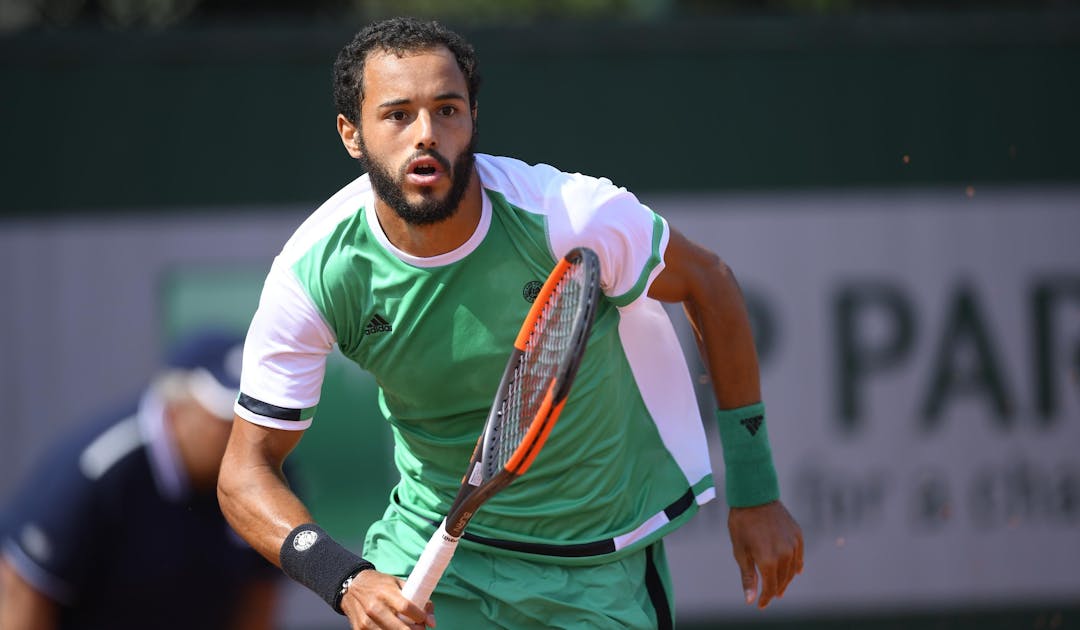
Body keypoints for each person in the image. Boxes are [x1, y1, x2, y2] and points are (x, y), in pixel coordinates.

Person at [218, 16, 803, 630]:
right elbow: (243, 471)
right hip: (429, 555)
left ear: (472, 119)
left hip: (593, 566)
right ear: (352, 135)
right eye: (397, 114)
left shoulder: (566, 216)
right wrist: (346, 579)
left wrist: (756, 488)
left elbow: (710, 282)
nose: (426, 134)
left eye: (447, 110)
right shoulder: (314, 273)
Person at [0, 329, 281, 630]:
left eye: (254, 414)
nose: (245, 430)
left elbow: (258, 594)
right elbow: (22, 587)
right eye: (228, 416)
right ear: (177, 409)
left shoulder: (269, 471)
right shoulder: (99, 466)